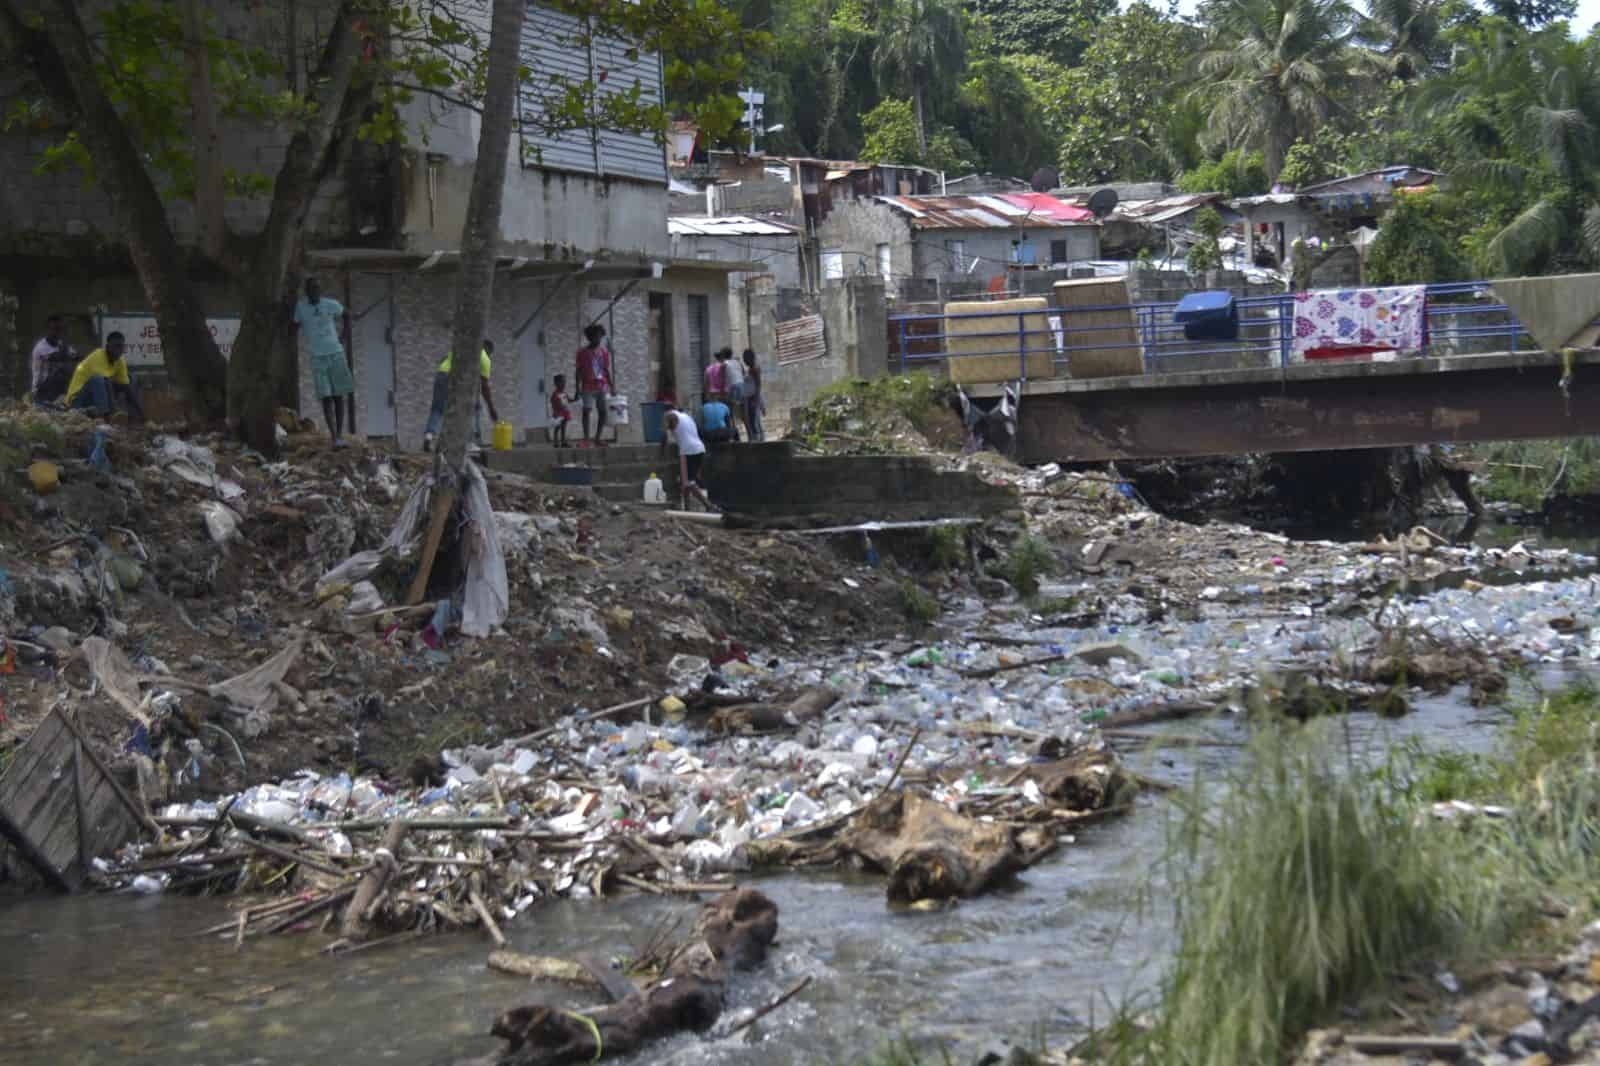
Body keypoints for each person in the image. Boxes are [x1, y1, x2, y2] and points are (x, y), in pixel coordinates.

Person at [291, 277, 355, 447]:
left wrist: (343, 337)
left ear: (320, 291)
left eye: (317, 289)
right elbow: (294, 326)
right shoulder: (301, 308)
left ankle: (340, 435)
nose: (315, 293)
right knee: (326, 397)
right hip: (318, 357)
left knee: (338, 396)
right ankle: (334, 438)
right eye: (312, 289)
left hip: (336, 354)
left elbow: (347, 315)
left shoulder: (330, 304)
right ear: (307, 291)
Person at [423, 339, 499, 452]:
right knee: (468, 409)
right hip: (455, 379)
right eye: (490, 353)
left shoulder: (461, 350)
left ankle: (429, 436)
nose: (489, 356)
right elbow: (484, 387)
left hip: (441, 375)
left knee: (438, 409)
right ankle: (469, 443)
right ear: (487, 349)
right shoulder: (484, 358)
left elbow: (444, 361)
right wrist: (491, 407)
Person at [65, 331, 144, 421]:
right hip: (77, 401)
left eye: (120, 347)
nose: (118, 351)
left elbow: (126, 387)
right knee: (99, 379)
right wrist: (114, 410)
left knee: (130, 379)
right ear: (107, 347)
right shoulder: (98, 355)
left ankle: (133, 417)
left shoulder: (120, 361)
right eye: (115, 346)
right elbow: (105, 382)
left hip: (93, 400)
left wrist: (141, 413)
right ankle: (106, 415)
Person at [663, 407, 716, 512]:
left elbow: (665, 433)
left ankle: (709, 505)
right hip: (700, 448)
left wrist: (663, 447)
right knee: (686, 481)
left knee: (687, 482)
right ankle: (687, 508)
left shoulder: (669, 417)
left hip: (688, 451)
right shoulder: (686, 416)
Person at [575, 323, 614, 446]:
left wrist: (612, 386)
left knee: (602, 411)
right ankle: (586, 439)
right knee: (586, 410)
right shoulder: (582, 352)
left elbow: (606, 369)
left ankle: (597, 438)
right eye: (596, 337)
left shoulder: (604, 352)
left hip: (601, 385)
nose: (598, 340)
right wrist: (577, 388)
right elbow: (578, 371)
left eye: (600, 337)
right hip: (587, 386)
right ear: (590, 338)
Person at [31, 314, 75, 404]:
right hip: (41, 389)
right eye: (54, 329)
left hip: (55, 387)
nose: (57, 333)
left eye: (60, 329)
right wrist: (66, 338)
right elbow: (58, 357)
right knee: (62, 371)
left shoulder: (61, 344)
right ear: (47, 330)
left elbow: (74, 357)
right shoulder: (41, 348)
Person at [739, 348, 765, 442]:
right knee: (751, 418)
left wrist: (756, 399)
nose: (744, 360)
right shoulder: (750, 369)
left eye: (745, 358)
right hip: (750, 397)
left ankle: (759, 439)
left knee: (755, 420)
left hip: (753, 397)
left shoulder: (755, 369)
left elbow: (758, 385)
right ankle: (756, 438)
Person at [549, 372, 573, 447]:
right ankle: (556, 442)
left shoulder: (564, 393)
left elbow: (569, 400)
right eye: (561, 382)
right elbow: (553, 403)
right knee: (558, 427)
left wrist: (575, 399)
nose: (563, 384)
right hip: (558, 413)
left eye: (564, 382)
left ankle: (563, 441)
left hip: (565, 412)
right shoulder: (555, 394)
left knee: (564, 427)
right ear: (556, 383)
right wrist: (555, 412)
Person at [720, 346, 746, 412]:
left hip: (733, 386)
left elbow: (722, 379)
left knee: (731, 407)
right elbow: (743, 373)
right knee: (742, 407)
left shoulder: (724, 364)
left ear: (723, 355)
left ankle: (733, 421)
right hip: (742, 385)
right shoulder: (738, 362)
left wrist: (722, 391)